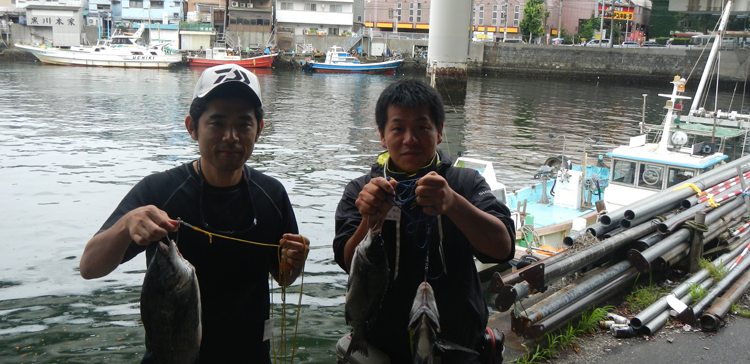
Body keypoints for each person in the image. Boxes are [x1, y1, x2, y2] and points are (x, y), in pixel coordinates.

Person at [79, 64, 310, 363]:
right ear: (192, 127)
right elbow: (89, 267)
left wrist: (295, 262)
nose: (231, 136)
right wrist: (125, 225)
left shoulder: (272, 195)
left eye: (244, 124)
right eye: (217, 123)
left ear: (259, 129)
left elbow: (283, 277)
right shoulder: (159, 191)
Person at [333, 79, 515, 363]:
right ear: (382, 135)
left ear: (439, 131)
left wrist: (454, 204)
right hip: (383, 350)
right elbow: (347, 260)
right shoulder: (361, 191)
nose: (410, 139)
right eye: (398, 129)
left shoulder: (465, 183)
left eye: (421, 127)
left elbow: (502, 248)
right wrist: (369, 221)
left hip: (458, 349)